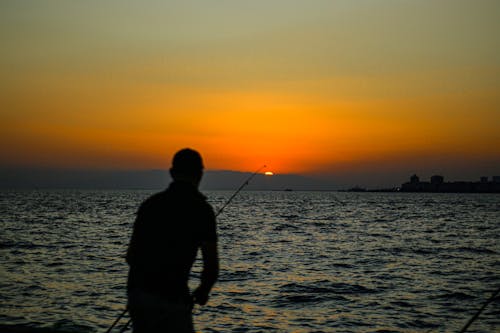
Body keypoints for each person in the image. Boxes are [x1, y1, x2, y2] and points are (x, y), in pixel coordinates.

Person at [126, 148, 219, 332]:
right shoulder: (202, 210)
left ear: (171, 173)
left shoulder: (150, 205)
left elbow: (131, 256)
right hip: (173, 297)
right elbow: (211, 265)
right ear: (200, 174)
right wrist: (203, 291)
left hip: (139, 294)